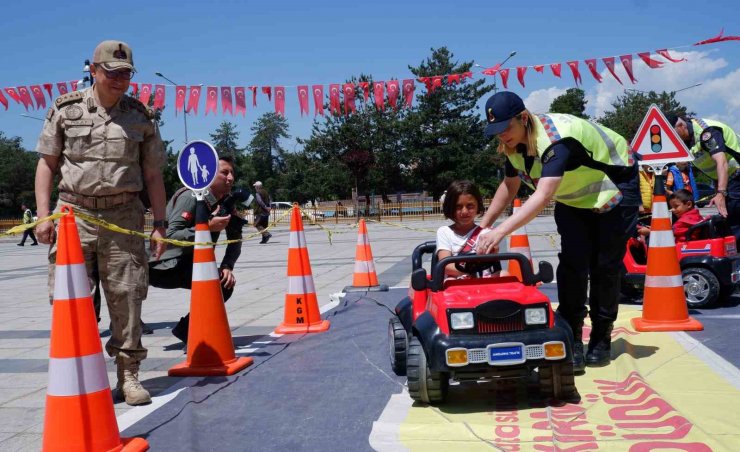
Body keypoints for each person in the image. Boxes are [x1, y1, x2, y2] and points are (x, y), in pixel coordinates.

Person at [34, 40, 167, 406]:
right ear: (93, 70)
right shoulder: (65, 109)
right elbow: (46, 164)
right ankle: (81, 375)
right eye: (112, 73)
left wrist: (160, 223)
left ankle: (129, 376)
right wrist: (44, 216)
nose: (120, 80)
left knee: (128, 297)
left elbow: (153, 174)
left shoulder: (140, 116)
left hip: (124, 216)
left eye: (126, 73)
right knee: (72, 300)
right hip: (73, 215)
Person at [475, 92, 639, 373]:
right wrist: (484, 225)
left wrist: (500, 232)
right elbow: (509, 185)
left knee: (605, 267)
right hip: (574, 197)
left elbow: (543, 196)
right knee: (573, 266)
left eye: (506, 129)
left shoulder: (556, 140)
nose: (502, 137)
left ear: (523, 118)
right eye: (496, 132)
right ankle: (572, 335)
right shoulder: (513, 146)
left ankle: (601, 337)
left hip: (613, 187)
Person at [149, 156, 243, 343]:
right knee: (216, 284)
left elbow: (236, 239)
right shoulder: (190, 196)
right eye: (224, 172)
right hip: (163, 266)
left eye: (232, 173)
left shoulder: (225, 203)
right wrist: (207, 227)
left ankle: (187, 331)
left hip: (188, 263)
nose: (230, 178)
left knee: (224, 283)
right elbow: (170, 235)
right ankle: (192, 333)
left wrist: (227, 266)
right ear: (208, 173)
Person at [667, 114, 740, 242]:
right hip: (728, 180)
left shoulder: (706, 132)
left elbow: (721, 162)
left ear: (681, 125)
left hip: (737, 175)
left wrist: (721, 193)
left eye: (673, 135)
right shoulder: (685, 142)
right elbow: (714, 169)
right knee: (729, 223)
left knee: (735, 221)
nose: (672, 139)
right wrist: (718, 191)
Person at [436, 180, 500, 278]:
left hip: (483, 278)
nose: (465, 211)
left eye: (470, 206)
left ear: (478, 206)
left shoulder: (486, 233)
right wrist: (470, 273)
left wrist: (493, 250)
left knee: (506, 275)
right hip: (457, 278)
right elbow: (446, 265)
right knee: (450, 282)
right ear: (450, 207)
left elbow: (493, 265)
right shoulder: (444, 232)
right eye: (458, 207)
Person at [638, 189, 705, 243]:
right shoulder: (696, 216)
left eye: (676, 206)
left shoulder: (684, 221)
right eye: (672, 207)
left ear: (688, 204)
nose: (673, 210)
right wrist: (654, 228)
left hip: (682, 249)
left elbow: (668, 234)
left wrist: (650, 232)